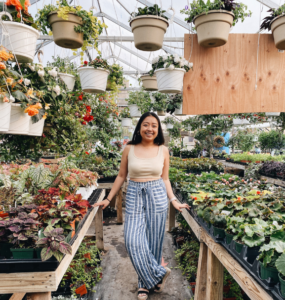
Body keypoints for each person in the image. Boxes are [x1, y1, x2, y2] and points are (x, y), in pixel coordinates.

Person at [93, 112, 190, 300]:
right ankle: (158, 273)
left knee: (153, 243)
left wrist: (174, 201)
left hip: (157, 194)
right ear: (139, 127)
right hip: (135, 194)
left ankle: (144, 284)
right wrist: (108, 198)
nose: (150, 129)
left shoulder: (163, 150)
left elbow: (166, 178)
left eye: (154, 125)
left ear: (158, 129)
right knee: (132, 241)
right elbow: (121, 176)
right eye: (146, 125)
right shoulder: (129, 148)